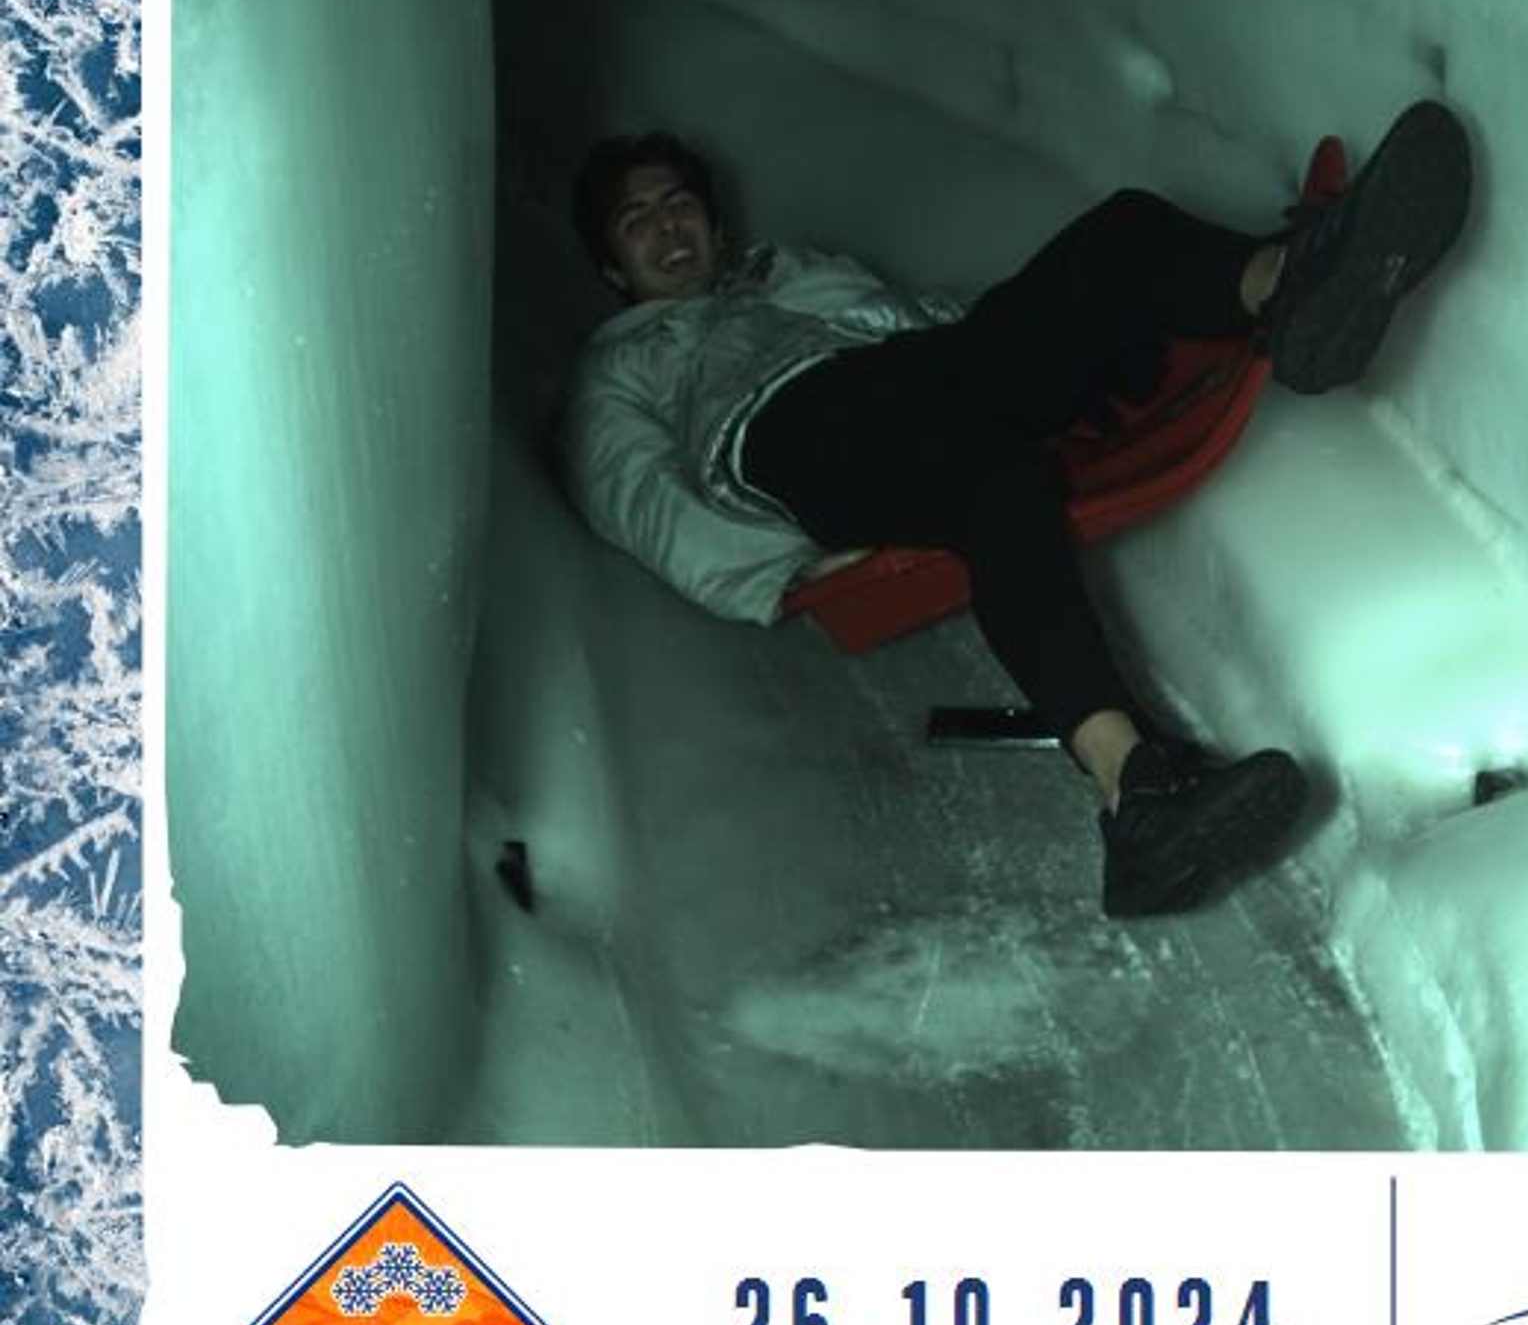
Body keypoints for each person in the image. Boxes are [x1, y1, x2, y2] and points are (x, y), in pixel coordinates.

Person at [565, 108, 1472, 918]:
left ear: (716, 224)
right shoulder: (624, 365)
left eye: (678, 205)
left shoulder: (791, 270)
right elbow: (634, 493)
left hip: (918, 374)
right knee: (991, 478)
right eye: (637, 221)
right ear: (612, 267)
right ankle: (1136, 792)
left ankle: (1292, 282)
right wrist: (780, 569)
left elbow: (917, 327)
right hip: (790, 433)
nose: (667, 227)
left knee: (1119, 235)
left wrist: (1081, 352)